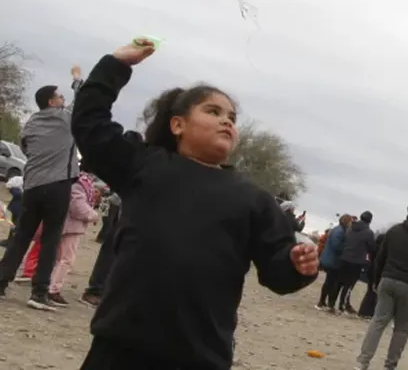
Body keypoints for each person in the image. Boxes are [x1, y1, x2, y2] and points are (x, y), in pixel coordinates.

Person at [69, 40, 318, 369]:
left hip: (199, 355)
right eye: (213, 112)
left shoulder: (253, 199)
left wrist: (297, 265)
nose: (226, 121)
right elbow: (91, 125)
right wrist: (115, 65)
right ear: (178, 125)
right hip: (120, 345)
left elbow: (277, 271)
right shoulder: (145, 165)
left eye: (232, 117)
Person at [0, 68, 82, 310]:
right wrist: (77, 78)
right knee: (51, 239)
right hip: (57, 185)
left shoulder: (31, 122)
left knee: (22, 235)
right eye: (59, 96)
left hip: (33, 185)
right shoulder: (65, 118)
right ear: (51, 101)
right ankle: (39, 292)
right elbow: (84, 96)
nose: (63, 99)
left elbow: (26, 149)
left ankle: (2, 282)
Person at [355, 198, 408, 370]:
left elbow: (380, 258)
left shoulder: (394, 231)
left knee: (378, 322)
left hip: (387, 280)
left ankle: (363, 362)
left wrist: (376, 280)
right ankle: (389, 366)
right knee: (401, 328)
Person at [47, 170, 100, 305]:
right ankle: (54, 289)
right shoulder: (80, 183)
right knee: (66, 259)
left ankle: (50, 285)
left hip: (66, 223)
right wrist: (93, 215)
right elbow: (77, 206)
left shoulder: (77, 180)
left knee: (60, 258)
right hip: (72, 225)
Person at [336, 210, 375, 314]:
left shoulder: (350, 228)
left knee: (340, 282)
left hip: (344, 258)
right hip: (357, 261)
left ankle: (337, 303)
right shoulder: (368, 232)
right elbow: (371, 248)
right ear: (370, 220)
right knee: (349, 284)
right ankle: (342, 305)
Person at [317, 214, 351, 310]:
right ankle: (323, 302)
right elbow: (336, 245)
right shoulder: (340, 231)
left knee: (329, 281)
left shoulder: (337, 229)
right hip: (333, 261)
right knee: (331, 282)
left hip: (330, 259)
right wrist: (347, 247)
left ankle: (323, 301)